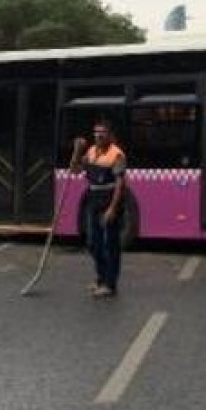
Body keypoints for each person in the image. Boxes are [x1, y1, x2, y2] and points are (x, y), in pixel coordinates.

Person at [71, 120, 127, 298]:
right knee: (93, 243)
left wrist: (112, 208)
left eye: (102, 132)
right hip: (93, 201)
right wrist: (77, 150)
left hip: (109, 201)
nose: (98, 135)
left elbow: (120, 184)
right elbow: (75, 170)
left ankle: (110, 284)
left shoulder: (116, 154)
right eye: (96, 132)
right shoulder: (91, 152)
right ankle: (101, 278)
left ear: (109, 135)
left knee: (111, 244)